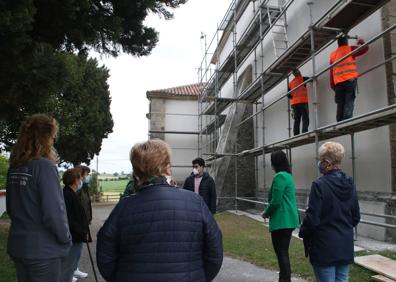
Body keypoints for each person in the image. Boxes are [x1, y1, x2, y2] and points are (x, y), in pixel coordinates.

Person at [96, 139, 223, 282]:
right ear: (167, 168)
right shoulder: (196, 203)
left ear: (136, 171)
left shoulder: (124, 207)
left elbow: (105, 256)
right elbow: (215, 252)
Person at [6, 114, 72, 282]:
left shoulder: (15, 166)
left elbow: (11, 207)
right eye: (52, 136)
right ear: (45, 137)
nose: (53, 140)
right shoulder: (44, 166)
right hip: (43, 251)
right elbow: (54, 213)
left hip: (19, 246)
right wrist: (66, 238)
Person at [299, 142, 360, 282]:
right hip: (344, 244)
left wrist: (303, 231)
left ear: (326, 162)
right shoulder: (350, 183)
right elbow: (356, 216)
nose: (319, 163)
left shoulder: (319, 185)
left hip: (324, 246)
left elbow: (312, 218)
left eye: (320, 160)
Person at [262, 150, 300, 282]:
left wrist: (266, 213)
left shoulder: (280, 177)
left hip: (282, 220)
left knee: (281, 253)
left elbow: (276, 201)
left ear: (275, 163)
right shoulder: (288, 175)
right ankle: (284, 279)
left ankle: (285, 279)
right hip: (288, 220)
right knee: (283, 253)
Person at [330, 34, 369, 122]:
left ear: (338, 43)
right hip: (349, 81)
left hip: (338, 84)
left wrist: (332, 84)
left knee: (340, 102)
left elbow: (331, 71)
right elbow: (365, 48)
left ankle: (339, 120)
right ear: (346, 41)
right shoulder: (350, 49)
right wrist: (360, 42)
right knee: (349, 100)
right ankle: (347, 119)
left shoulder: (333, 55)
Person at [62, 168, 90, 282]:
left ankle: (69, 275)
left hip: (77, 233)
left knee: (73, 259)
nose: (81, 180)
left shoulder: (71, 193)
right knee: (70, 261)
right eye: (80, 178)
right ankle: (66, 278)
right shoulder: (67, 194)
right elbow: (69, 218)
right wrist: (81, 230)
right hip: (74, 234)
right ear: (75, 180)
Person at [74, 165, 92, 279]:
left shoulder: (83, 187)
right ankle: (69, 272)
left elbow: (87, 204)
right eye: (86, 174)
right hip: (77, 224)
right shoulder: (74, 190)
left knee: (78, 248)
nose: (87, 176)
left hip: (83, 223)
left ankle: (75, 269)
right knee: (73, 250)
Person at [287, 69, 310, 135]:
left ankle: (296, 134)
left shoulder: (290, 83)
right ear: (299, 72)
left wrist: (294, 96)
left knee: (297, 120)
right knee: (305, 118)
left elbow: (288, 95)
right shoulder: (303, 79)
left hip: (294, 104)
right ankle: (304, 132)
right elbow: (311, 79)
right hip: (303, 102)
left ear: (294, 75)